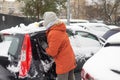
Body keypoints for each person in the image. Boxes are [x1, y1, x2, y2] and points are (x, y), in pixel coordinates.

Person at [42, 11, 76, 80]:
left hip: (63, 64)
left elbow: (52, 52)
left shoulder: (54, 33)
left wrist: (45, 47)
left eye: (45, 20)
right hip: (70, 60)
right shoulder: (59, 28)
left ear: (48, 21)